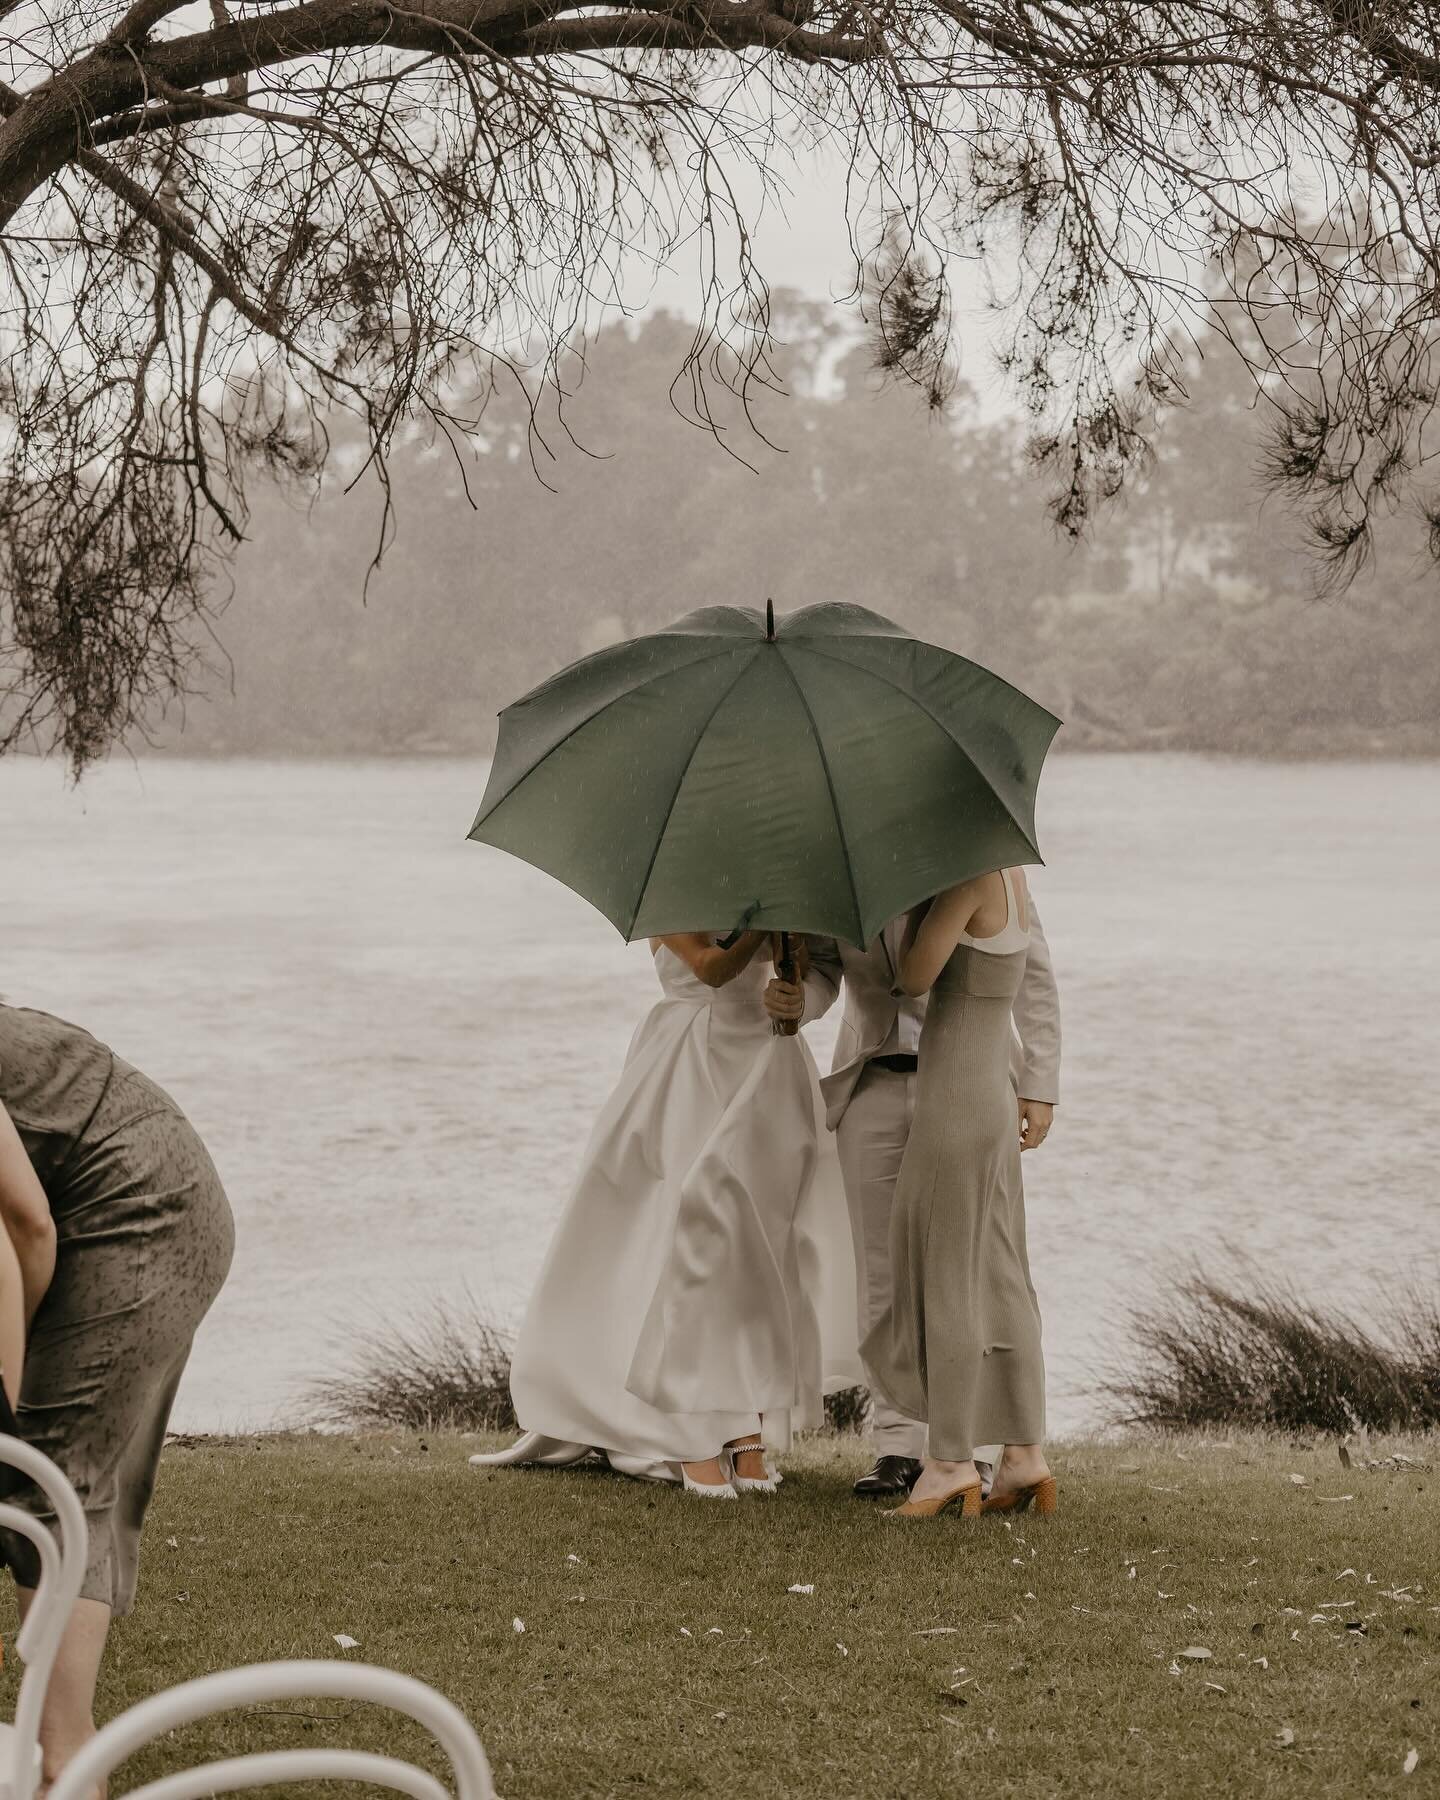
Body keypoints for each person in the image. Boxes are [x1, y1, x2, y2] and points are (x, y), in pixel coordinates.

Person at [473, 929, 853, 1498]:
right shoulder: (678, 880)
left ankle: (743, 1423)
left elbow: (823, 973)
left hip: (770, 1064)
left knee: (760, 1247)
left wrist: (799, 997)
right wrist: (764, 924)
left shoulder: (780, 870)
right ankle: (689, 1428)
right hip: (687, 1065)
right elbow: (712, 969)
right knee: (696, 1236)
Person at [0, 1000, 235, 1793]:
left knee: (46, 1475)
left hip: (142, 1204)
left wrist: (8, 1385)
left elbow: (22, 1229)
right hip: (66, 1201)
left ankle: (68, 1762)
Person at [764, 880, 1059, 1499]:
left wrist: (1040, 1081)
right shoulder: (839, 864)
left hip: (967, 1084)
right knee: (881, 1269)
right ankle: (898, 1446)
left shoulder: (965, 855)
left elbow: (1031, 969)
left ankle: (968, 1449)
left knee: (970, 1267)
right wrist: (798, 1001)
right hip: (871, 1083)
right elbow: (821, 968)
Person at [859, 867, 1055, 1518]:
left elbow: (913, 977)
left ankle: (946, 1462)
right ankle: (1025, 1457)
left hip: (954, 1096)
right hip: (991, 1093)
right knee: (1002, 1273)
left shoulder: (959, 882)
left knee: (944, 1275)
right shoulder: (1012, 874)